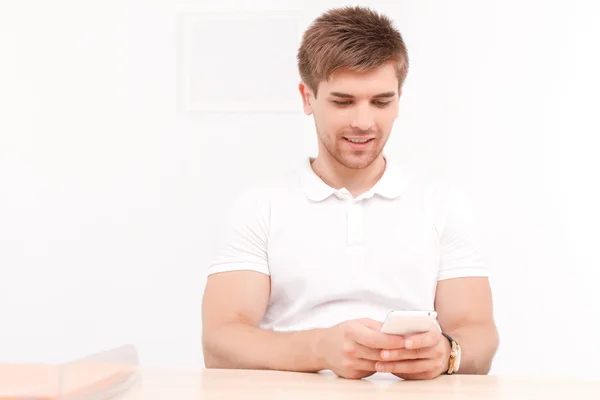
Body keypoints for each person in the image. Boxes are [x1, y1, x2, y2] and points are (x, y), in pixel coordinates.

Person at [201, 5, 499, 380]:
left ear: (399, 99)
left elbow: (480, 334)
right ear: (307, 97)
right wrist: (319, 349)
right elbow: (219, 342)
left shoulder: (440, 203)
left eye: (381, 101)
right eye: (343, 102)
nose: (363, 122)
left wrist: (448, 353)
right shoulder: (262, 205)